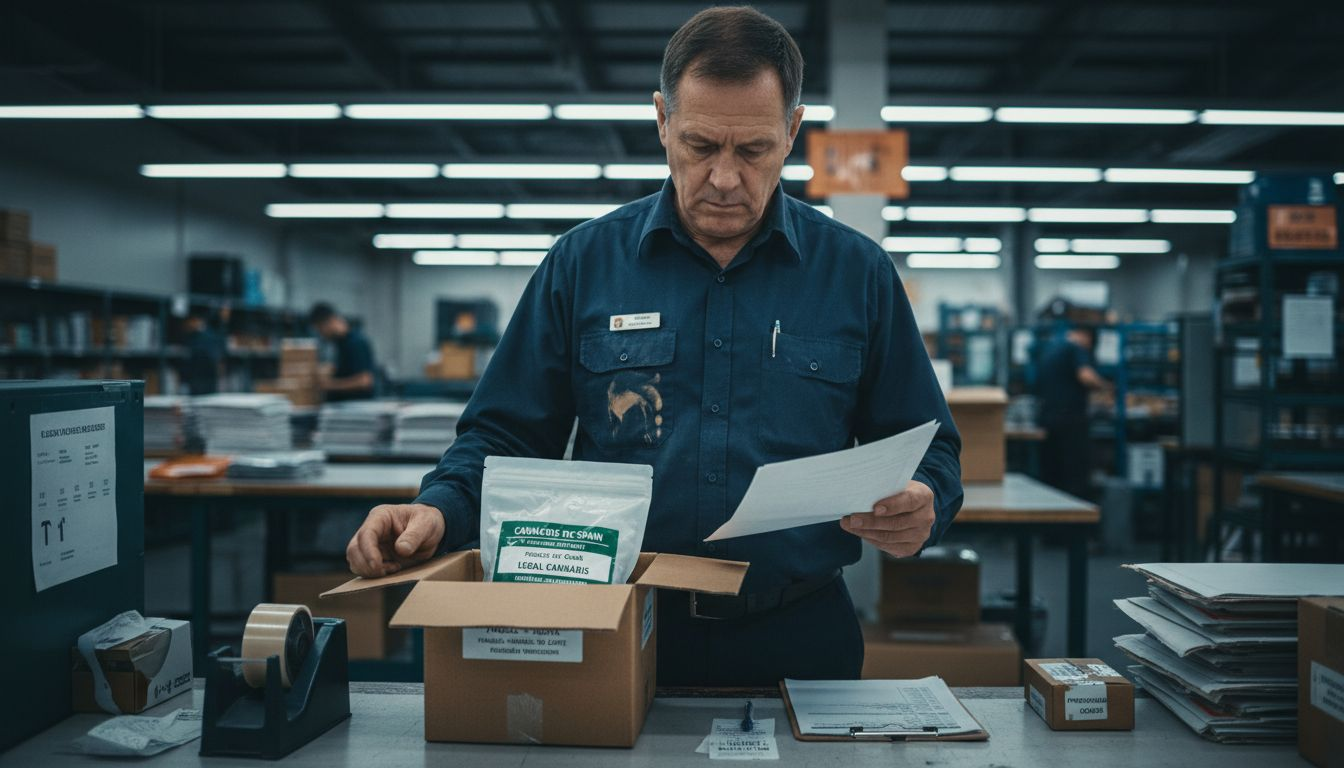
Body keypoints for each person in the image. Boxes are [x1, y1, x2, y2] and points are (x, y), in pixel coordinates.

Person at [345, 6, 962, 686]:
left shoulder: (858, 274)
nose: (725, 178)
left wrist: (924, 497)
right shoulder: (582, 265)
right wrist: (437, 507)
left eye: (752, 150)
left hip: (800, 636)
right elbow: (504, 432)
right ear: (662, 121)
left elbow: (928, 442)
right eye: (700, 146)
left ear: (792, 132)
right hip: (618, 629)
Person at [1036, 327, 1110, 500]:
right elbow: (1086, 376)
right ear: (1086, 336)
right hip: (1070, 421)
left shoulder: (1051, 349)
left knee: (1053, 476)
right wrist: (1106, 387)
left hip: (1048, 420)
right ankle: (1077, 522)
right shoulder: (1075, 348)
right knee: (1075, 478)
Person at [309, 302, 376, 401]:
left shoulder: (356, 343)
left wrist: (330, 385)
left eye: (320, 329)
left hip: (355, 409)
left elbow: (364, 381)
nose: (321, 334)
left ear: (329, 322)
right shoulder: (340, 344)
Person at [181, 312, 225, 395]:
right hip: (200, 376)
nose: (189, 325)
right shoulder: (196, 335)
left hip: (204, 375)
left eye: (192, 322)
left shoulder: (205, 336)